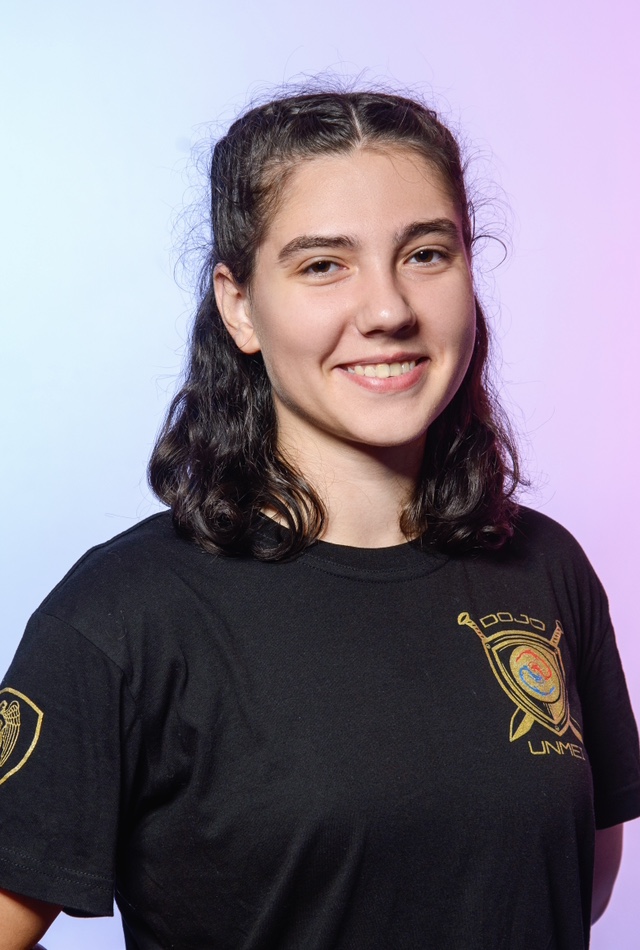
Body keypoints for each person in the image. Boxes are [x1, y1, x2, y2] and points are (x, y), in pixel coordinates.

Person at [0, 89, 639, 950]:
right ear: (239, 305)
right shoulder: (123, 615)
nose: (388, 310)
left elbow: (576, 886)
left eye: (425, 254)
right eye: (323, 265)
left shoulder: (545, 568)